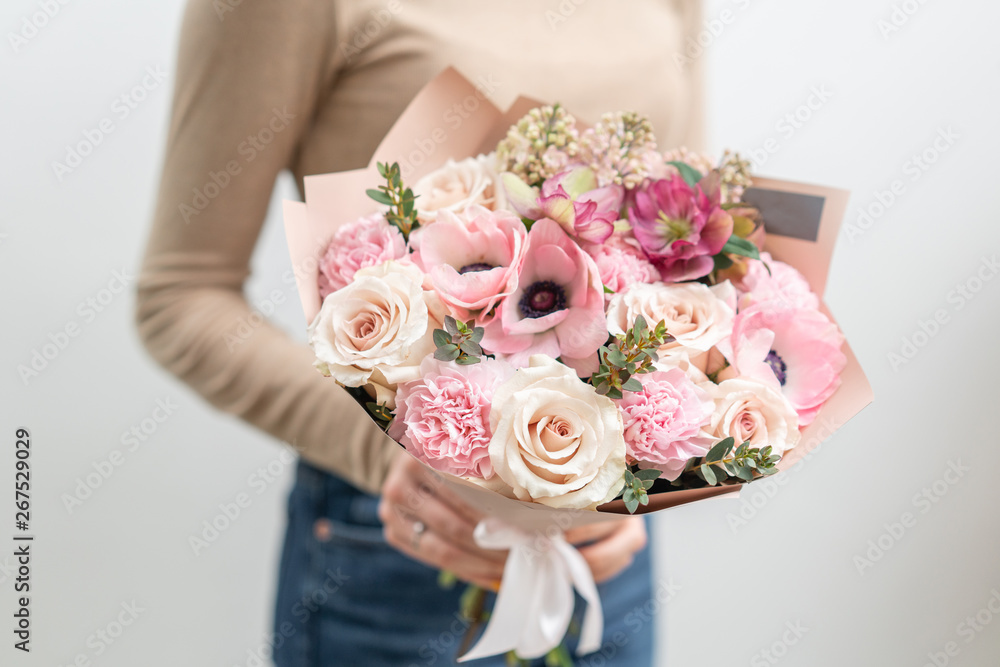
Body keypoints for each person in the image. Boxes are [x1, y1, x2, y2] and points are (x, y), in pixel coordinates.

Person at [136, 1, 704, 664]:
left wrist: (646, 473)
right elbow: (180, 294)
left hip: (605, 550)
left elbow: (683, 251)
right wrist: (392, 454)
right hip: (398, 540)